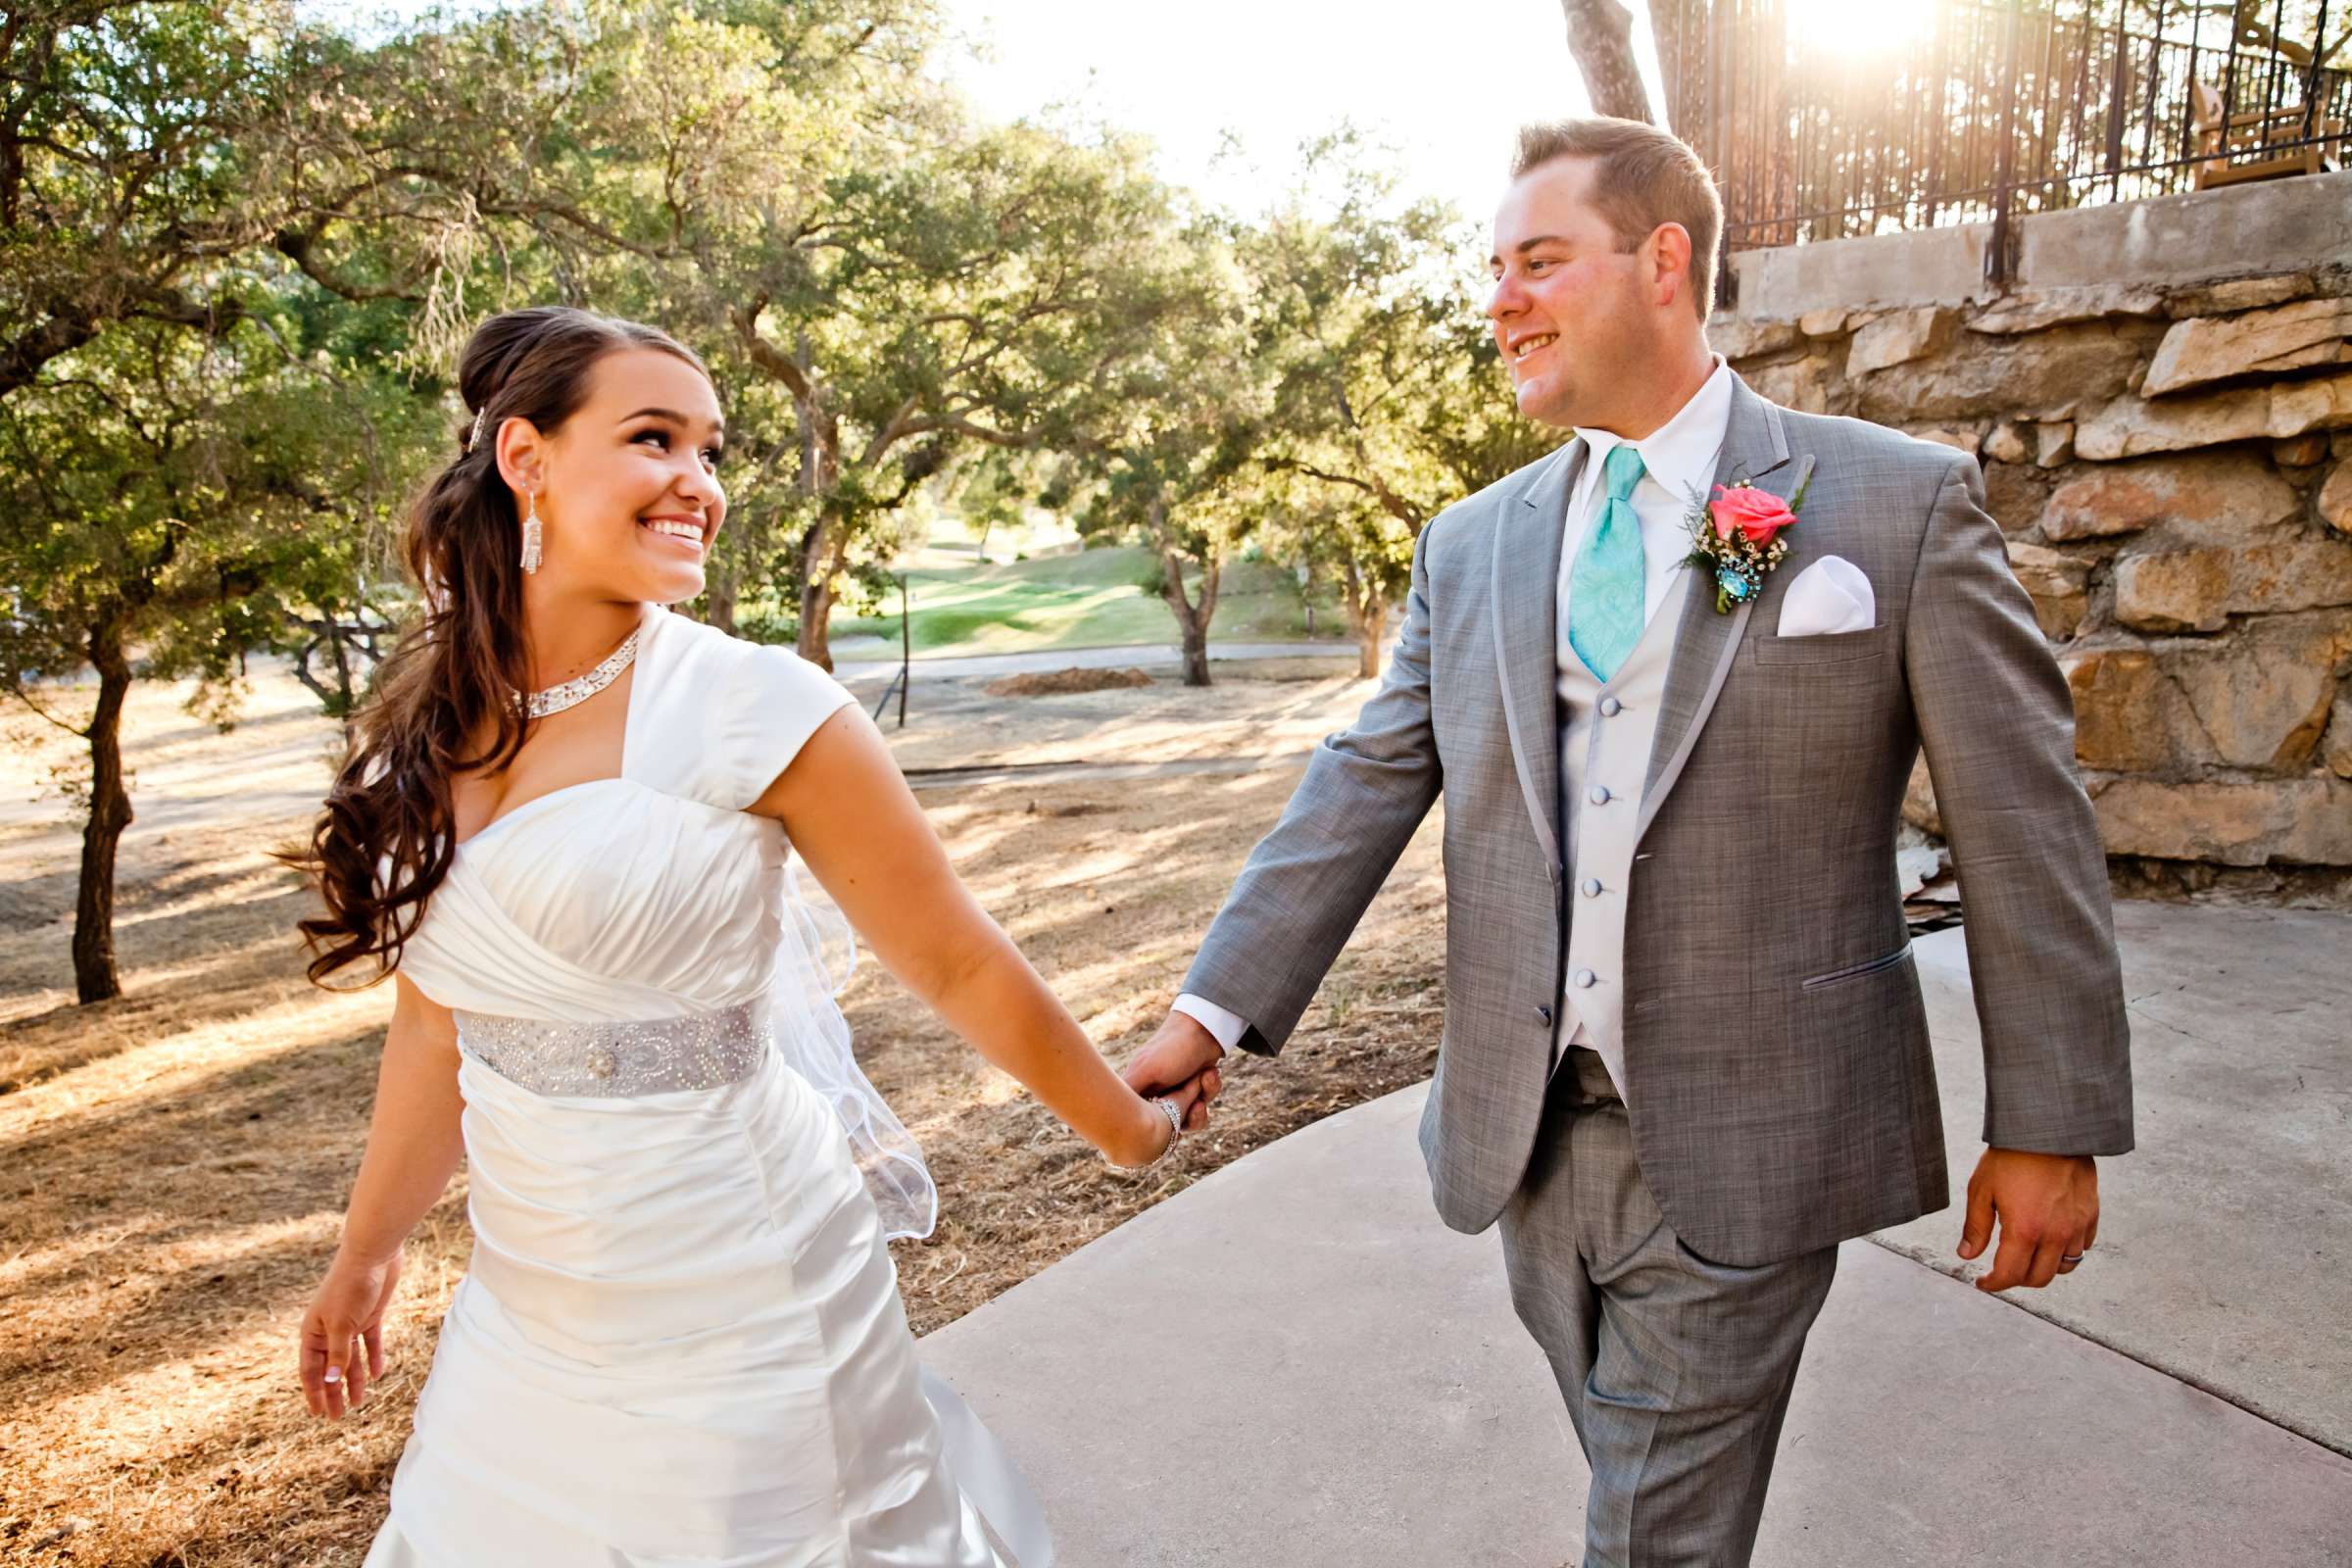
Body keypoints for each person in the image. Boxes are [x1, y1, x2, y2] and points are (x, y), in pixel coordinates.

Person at [1125, 118, 2132, 1566]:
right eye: (1493, 270)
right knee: (1639, 1467)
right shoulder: (1474, 545)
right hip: (1523, 1138)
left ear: (1664, 263)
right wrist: (1212, 1007)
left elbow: (2025, 823)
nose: (1499, 303)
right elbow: (1364, 781)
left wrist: (2051, 1116)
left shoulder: (1886, 503)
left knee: (1649, 1523)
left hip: (1759, 1127)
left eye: (1539, 261)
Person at [288, 305, 1193, 1566]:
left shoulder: (753, 702)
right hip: (526, 1304)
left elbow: (952, 957)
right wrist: (368, 1254)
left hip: (742, 1277)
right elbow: (438, 1019)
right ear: (525, 458)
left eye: (713, 452)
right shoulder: (430, 724)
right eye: (655, 439)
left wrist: (1128, 1128)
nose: (698, 486)